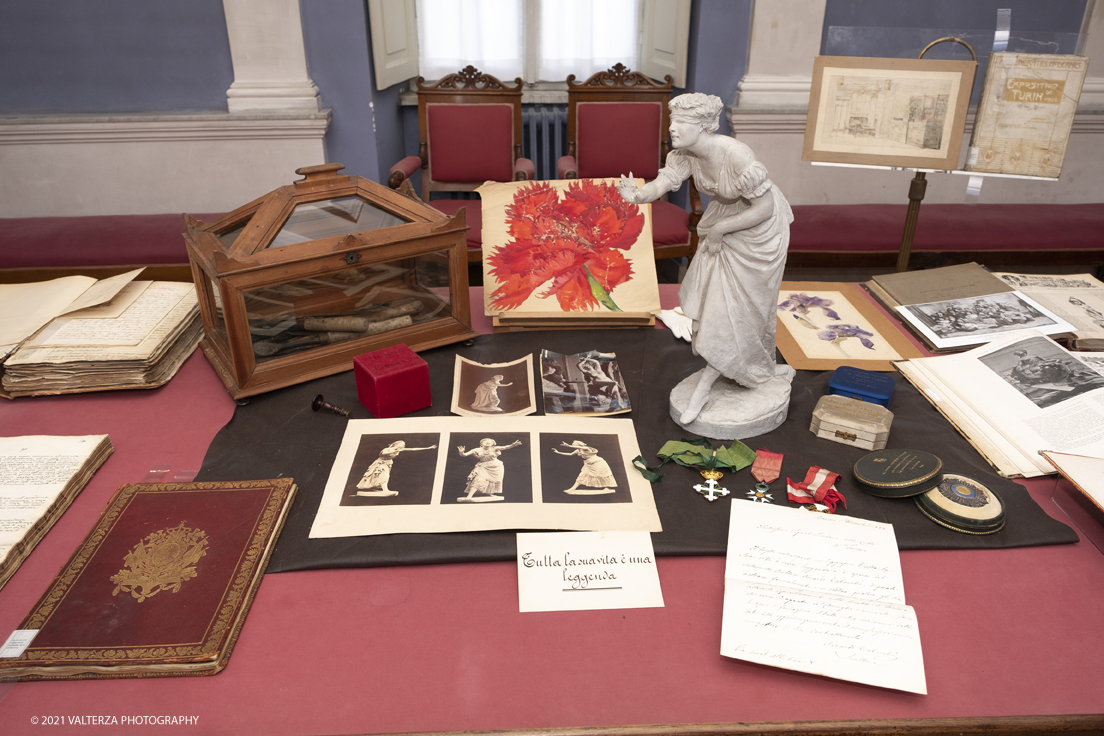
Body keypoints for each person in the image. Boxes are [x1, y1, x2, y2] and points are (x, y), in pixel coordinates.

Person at [618, 93, 793, 425]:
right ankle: (744, 367)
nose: (673, 129)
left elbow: (765, 207)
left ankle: (737, 372)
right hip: (725, 226)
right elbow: (665, 182)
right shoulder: (686, 155)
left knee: (749, 307)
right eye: (672, 122)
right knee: (717, 304)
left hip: (759, 232)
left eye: (680, 124)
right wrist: (637, 195)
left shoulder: (736, 155)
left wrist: (720, 229)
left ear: (703, 127)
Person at [356, 440, 437, 496]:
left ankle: (375, 488)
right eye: (402, 446)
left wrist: (428, 448)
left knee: (378, 476)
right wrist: (395, 450)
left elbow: (413, 449)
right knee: (384, 475)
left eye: (403, 446)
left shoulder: (399, 450)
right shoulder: (387, 449)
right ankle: (385, 490)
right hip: (380, 463)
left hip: (388, 464)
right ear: (396, 445)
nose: (403, 447)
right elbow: (383, 453)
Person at [457, 438, 523, 501]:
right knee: (478, 480)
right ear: (481, 443)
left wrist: (513, 445)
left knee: (492, 481)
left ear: (492, 443)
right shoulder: (476, 450)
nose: (487, 442)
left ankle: (489, 493)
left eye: (489, 441)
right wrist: (461, 452)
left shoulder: (495, 448)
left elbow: (505, 447)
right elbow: (464, 455)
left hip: (496, 467)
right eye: (485, 441)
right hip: (483, 467)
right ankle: (469, 496)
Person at [551, 440, 616, 493]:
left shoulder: (586, 448)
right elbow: (570, 454)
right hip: (588, 464)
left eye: (573, 444)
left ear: (578, 445)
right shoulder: (577, 450)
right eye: (572, 444)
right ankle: (573, 488)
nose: (573, 445)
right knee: (582, 475)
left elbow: (581, 448)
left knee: (602, 475)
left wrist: (568, 446)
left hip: (598, 463)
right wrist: (558, 452)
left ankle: (607, 487)